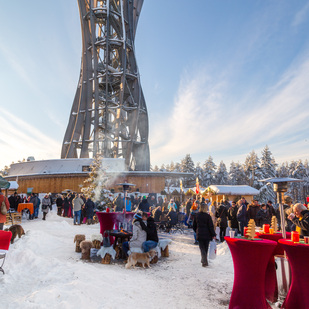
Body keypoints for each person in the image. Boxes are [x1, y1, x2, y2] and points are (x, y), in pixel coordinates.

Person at [193, 202, 216, 267]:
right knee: (205, 248)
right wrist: (213, 234)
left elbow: (194, 225)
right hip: (207, 234)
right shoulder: (208, 216)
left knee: (202, 248)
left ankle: (204, 260)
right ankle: (204, 261)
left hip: (200, 233)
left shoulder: (197, 215)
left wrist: (197, 231)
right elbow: (210, 226)